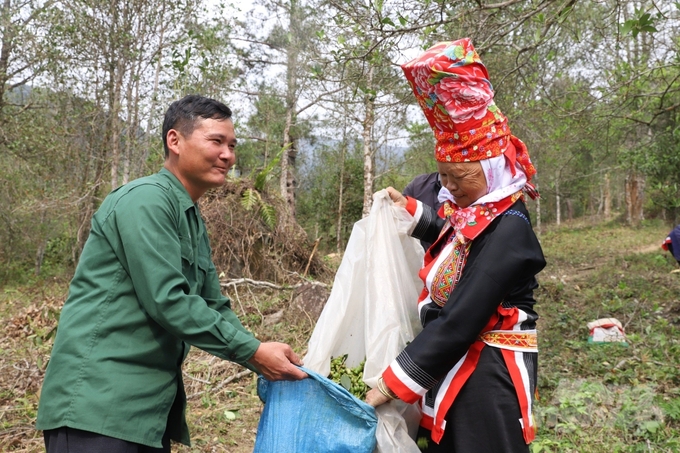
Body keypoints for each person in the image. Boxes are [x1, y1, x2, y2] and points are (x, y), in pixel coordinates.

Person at [36, 95, 307, 453]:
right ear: (175, 141)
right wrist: (253, 353)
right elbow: (168, 301)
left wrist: (262, 355)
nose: (228, 155)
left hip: (146, 413)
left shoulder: (190, 218)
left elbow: (213, 304)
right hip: (98, 407)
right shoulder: (146, 201)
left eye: (232, 144)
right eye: (216, 141)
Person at [365, 38, 546, 453]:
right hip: (456, 360)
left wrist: (391, 383)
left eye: (457, 178)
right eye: (442, 176)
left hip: (489, 375)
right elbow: (456, 242)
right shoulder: (481, 211)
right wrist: (412, 213)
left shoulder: (510, 228)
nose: (446, 188)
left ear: (491, 170)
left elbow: (461, 318)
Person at [402, 172, 442, 250]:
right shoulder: (418, 186)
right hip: (420, 259)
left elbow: (453, 232)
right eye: (444, 175)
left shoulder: (468, 190)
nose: (451, 186)